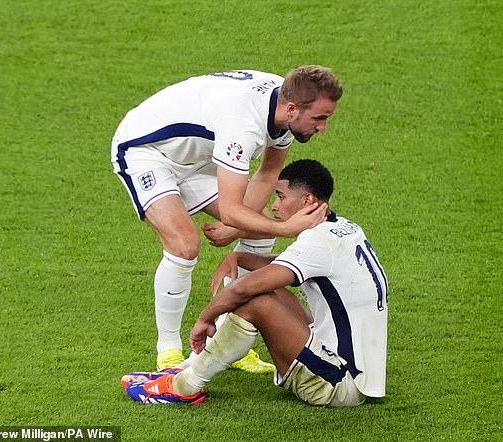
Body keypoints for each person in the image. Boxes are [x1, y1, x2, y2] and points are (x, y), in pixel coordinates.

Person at [111, 67, 343, 372]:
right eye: (320, 118)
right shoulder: (242, 124)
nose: (323, 127)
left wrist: (235, 227)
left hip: (198, 158)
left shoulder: (286, 105)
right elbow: (235, 210)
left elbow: (268, 174)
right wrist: (283, 228)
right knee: (184, 245)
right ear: (292, 109)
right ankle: (168, 352)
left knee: (257, 233)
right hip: (147, 151)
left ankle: (227, 338)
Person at [121, 159, 389, 407]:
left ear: (307, 200)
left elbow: (244, 288)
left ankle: (184, 385)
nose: (273, 205)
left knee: (256, 299)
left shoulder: (317, 244)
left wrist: (205, 318)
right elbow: (282, 267)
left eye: (281, 196)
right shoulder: (344, 228)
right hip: (357, 375)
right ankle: (188, 372)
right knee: (267, 287)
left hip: (336, 384)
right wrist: (239, 257)